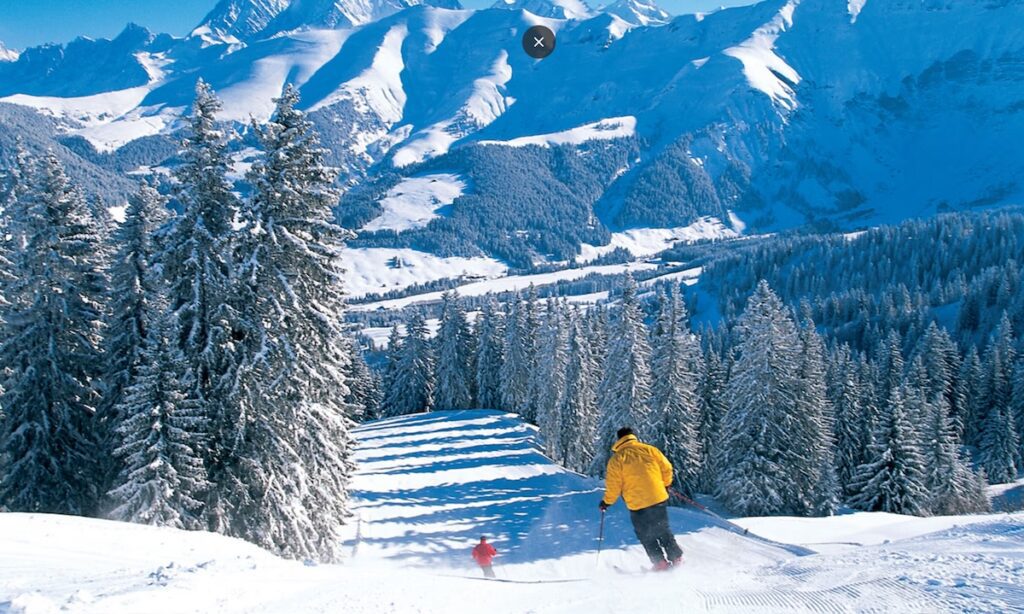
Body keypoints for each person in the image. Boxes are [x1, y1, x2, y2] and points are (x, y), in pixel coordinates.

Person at [599, 427, 684, 571]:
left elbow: (614, 485)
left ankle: (660, 563)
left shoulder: (617, 459)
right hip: (658, 498)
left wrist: (606, 502)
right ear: (633, 436)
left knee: (645, 534)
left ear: (619, 440)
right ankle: (676, 558)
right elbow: (667, 468)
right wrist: (665, 483)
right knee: (662, 529)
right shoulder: (650, 450)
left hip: (637, 503)